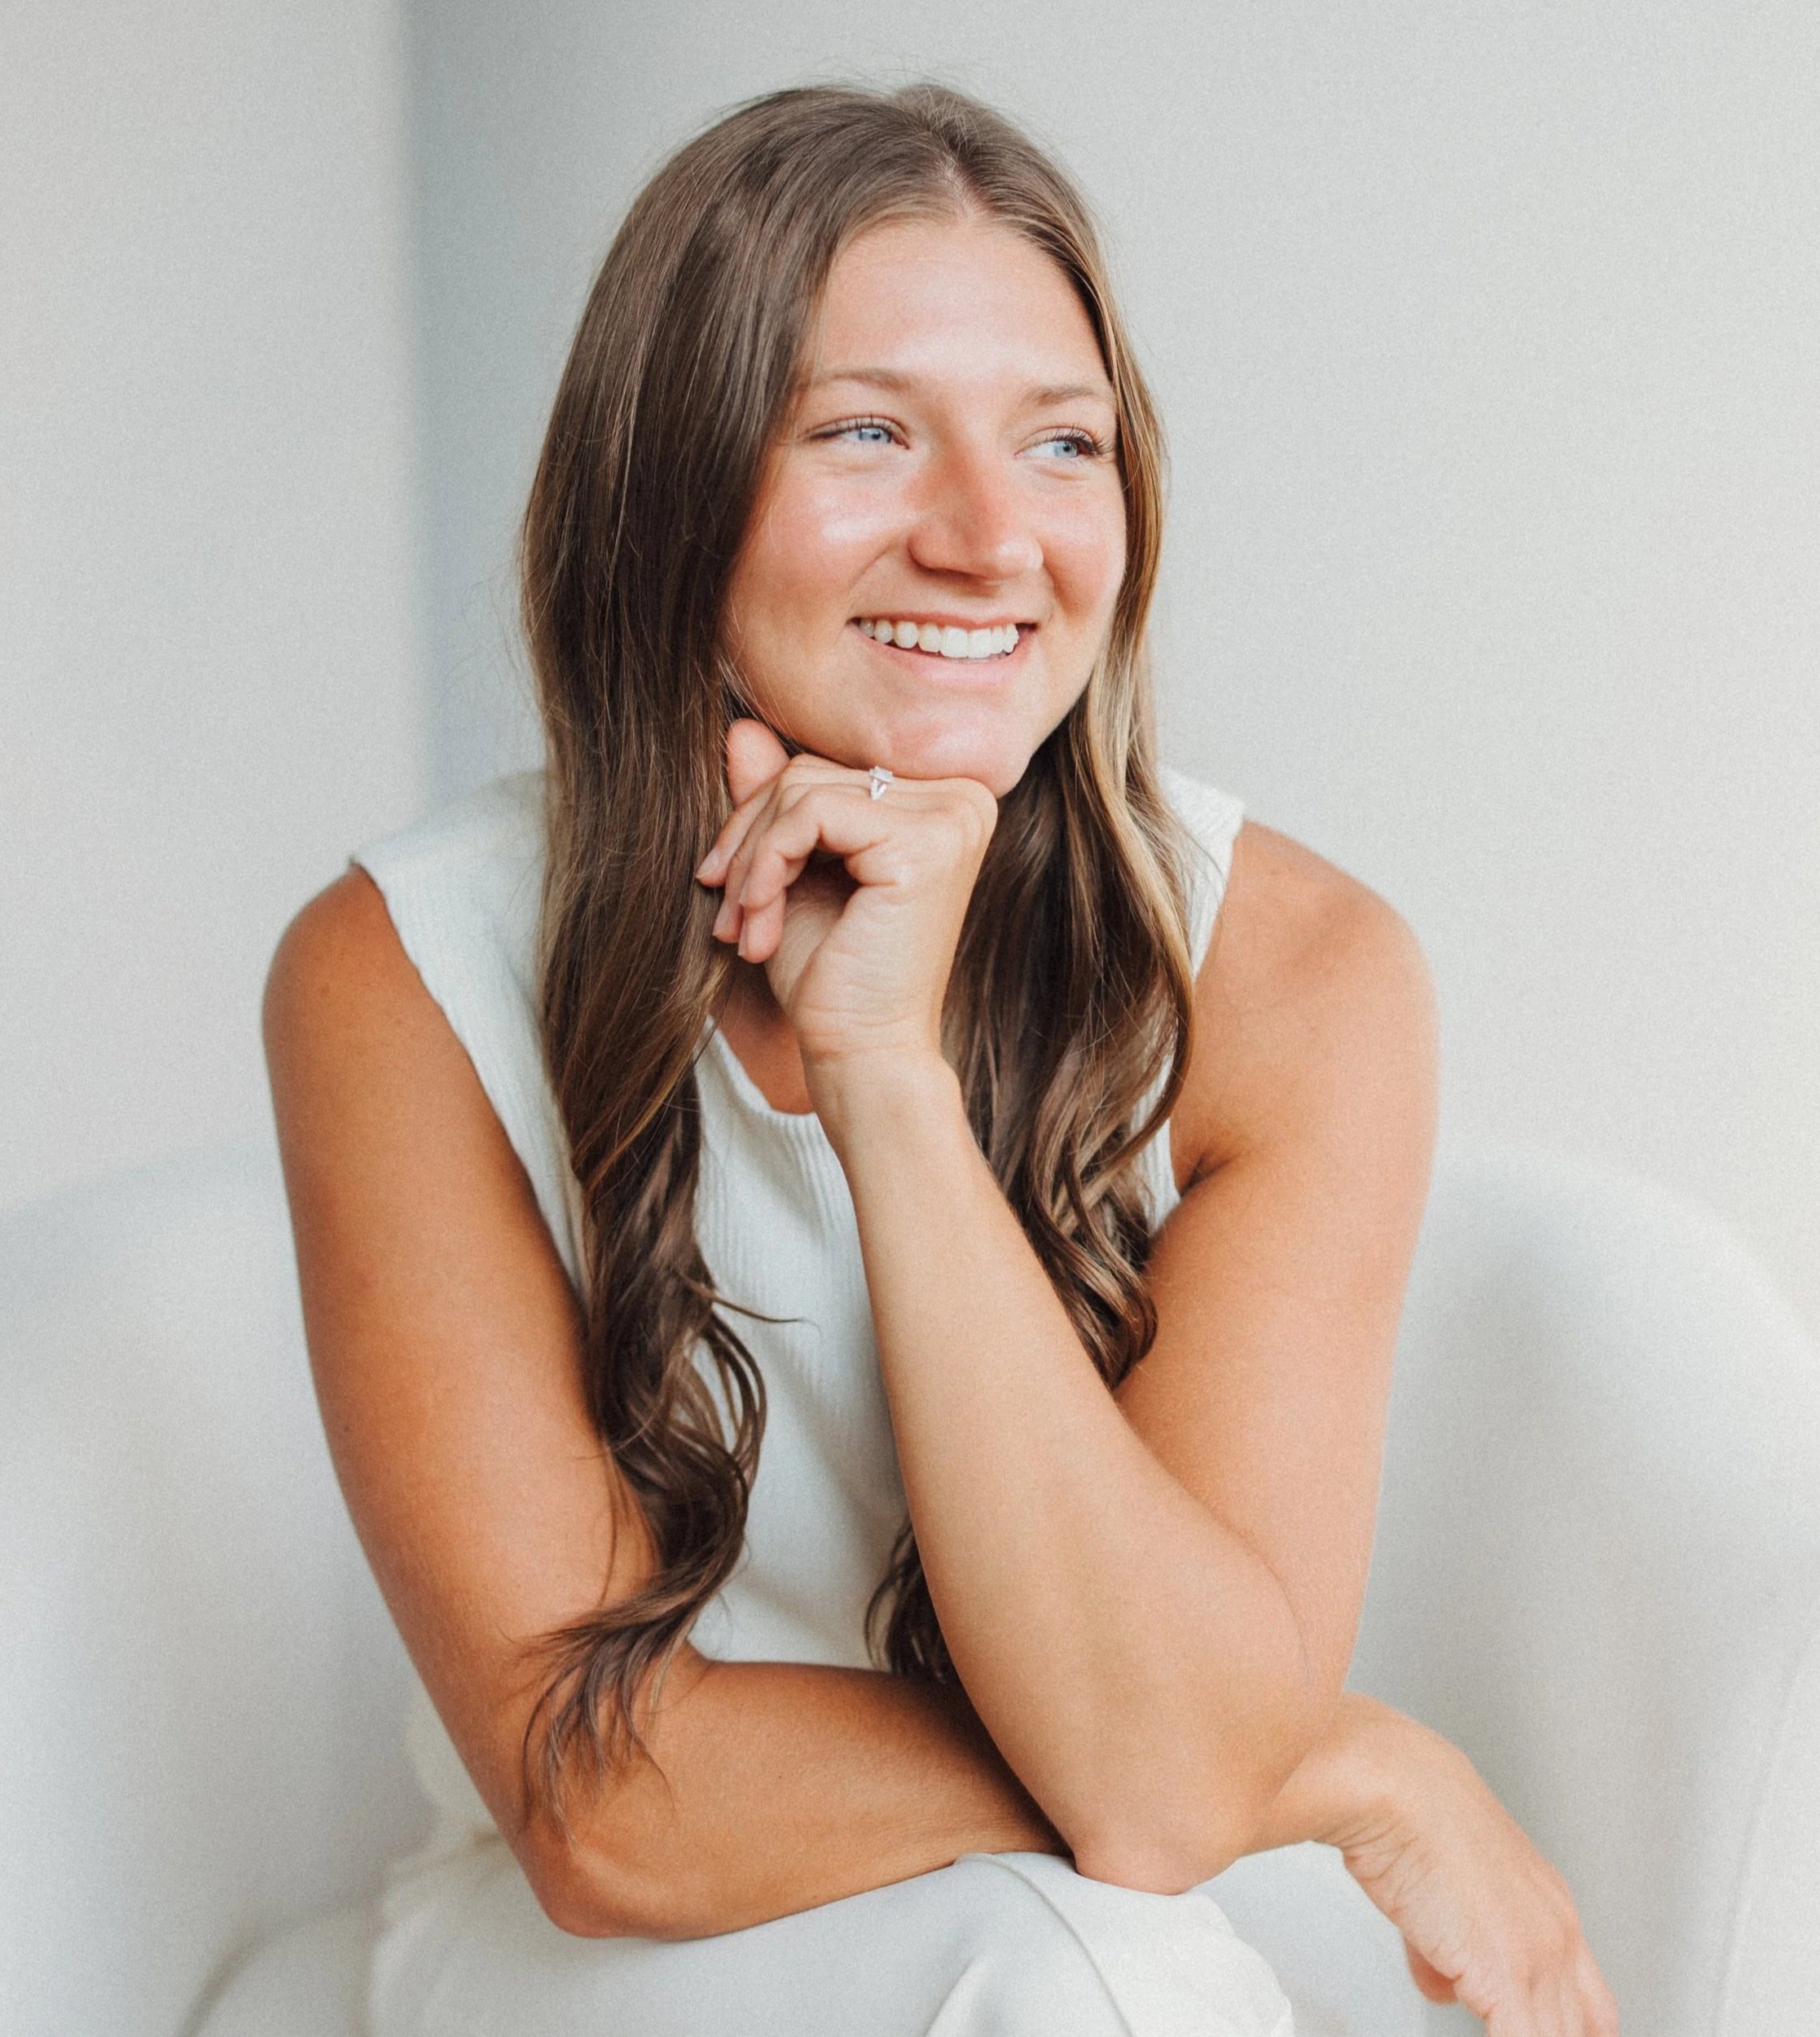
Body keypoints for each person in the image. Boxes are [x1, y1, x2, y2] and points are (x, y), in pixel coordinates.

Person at [262, 80, 1617, 2037]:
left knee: (1117, 1960)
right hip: (602, 1950)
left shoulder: (1294, 973)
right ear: (671, 491)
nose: (990, 538)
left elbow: (1159, 1795)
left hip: (1133, 1895)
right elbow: (602, 1802)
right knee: (1078, 1968)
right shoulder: (398, 969)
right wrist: (1327, 1759)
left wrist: (884, 1066)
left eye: (1058, 444)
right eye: (867, 432)